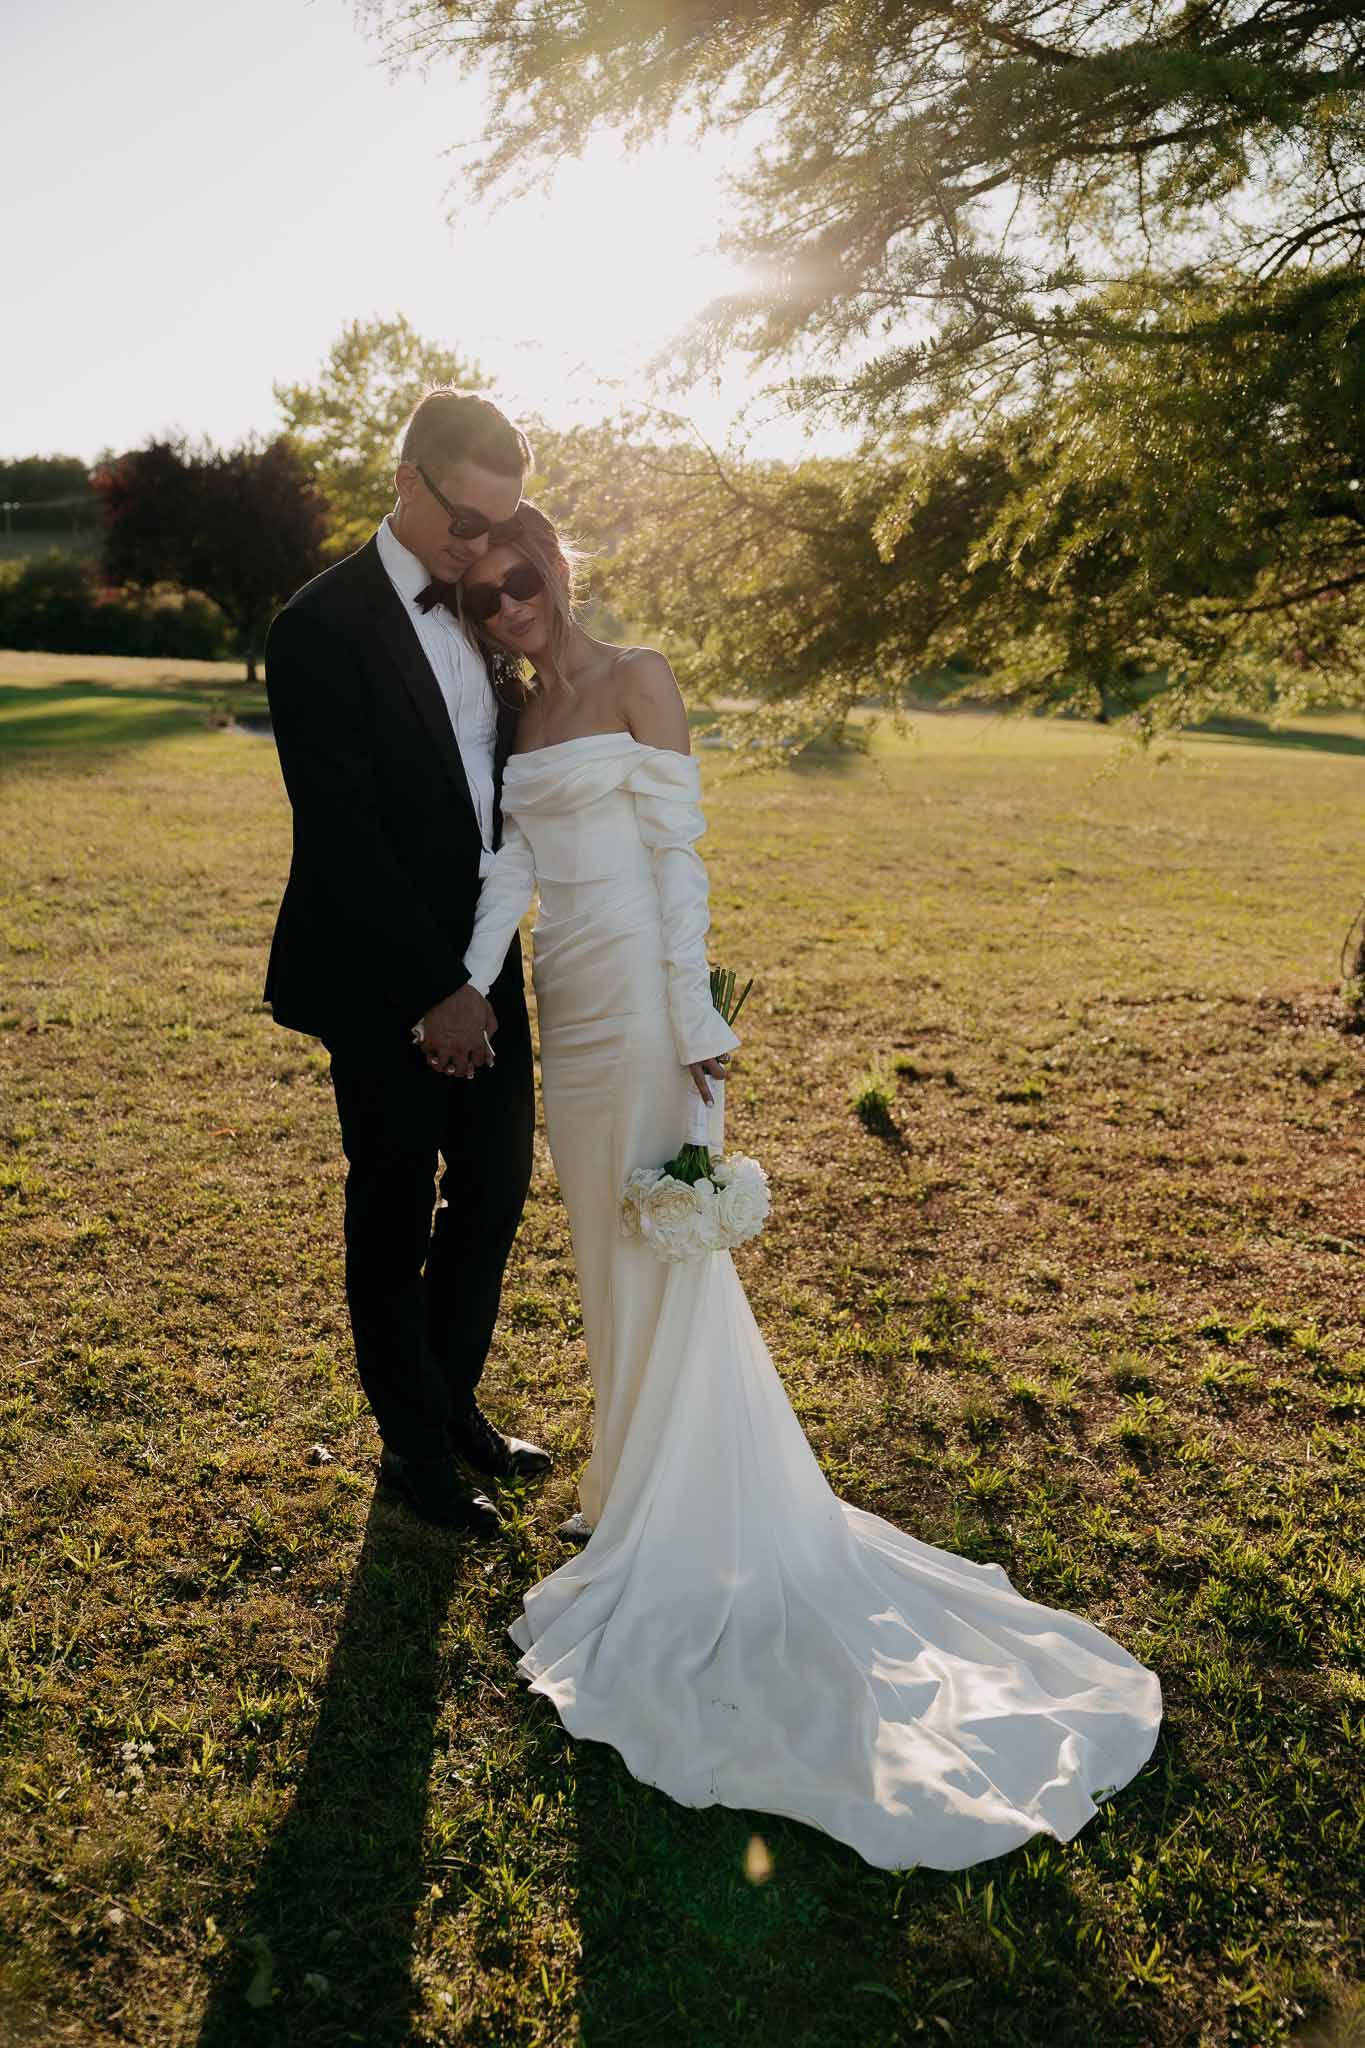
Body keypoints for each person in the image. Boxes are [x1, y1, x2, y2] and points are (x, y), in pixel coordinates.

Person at [446, 501, 1163, 1872]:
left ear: (562, 566)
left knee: (669, 1250)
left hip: (650, 1022)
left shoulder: (637, 679)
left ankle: (682, 1516)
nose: (509, 611)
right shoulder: (521, 722)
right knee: (606, 1254)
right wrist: (474, 979)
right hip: (569, 1014)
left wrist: (696, 1022)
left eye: (521, 581)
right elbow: (517, 864)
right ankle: (627, 1484)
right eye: (482, 601)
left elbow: (677, 860)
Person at [263, 390, 551, 1537]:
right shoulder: (317, 626)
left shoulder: (484, 605)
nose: (482, 547)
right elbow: (341, 833)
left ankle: (454, 1405)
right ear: (405, 480)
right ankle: (415, 1454)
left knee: (491, 1195)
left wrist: (480, 976)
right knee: (394, 1205)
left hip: (490, 960)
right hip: (382, 970)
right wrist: (437, 988)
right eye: (466, 521)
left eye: (502, 523)